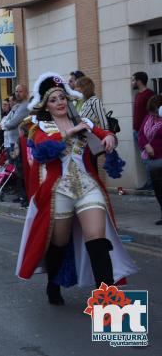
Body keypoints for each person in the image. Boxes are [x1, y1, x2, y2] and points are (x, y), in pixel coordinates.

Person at [16, 72, 137, 306]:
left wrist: (110, 138)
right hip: (58, 191)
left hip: (87, 186)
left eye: (62, 97)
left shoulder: (83, 122)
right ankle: (53, 284)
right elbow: (43, 150)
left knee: (97, 240)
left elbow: (104, 133)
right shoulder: (39, 127)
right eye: (54, 99)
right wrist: (67, 133)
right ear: (46, 106)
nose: (60, 102)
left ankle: (106, 300)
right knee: (59, 243)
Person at [0, 84, 30, 206]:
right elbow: (7, 121)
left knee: (21, 170)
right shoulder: (17, 106)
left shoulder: (25, 106)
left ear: (26, 92)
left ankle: (25, 197)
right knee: (17, 171)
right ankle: (21, 196)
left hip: (19, 142)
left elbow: (12, 123)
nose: (17, 93)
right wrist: (5, 124)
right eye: (16, 91)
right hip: (12, 142)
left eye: (20, 91)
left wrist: (4, 125)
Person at [138, 96, 162, 225]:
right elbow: (141, 134)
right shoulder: (148, 118)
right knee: (158, 189)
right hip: (152, 160)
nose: (152, 114)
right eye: (151, 111)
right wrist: (146, 145)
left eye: (154, 111)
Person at [132, 71, 155, 189]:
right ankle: (150, 183)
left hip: (146, 134)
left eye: (133, 80)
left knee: (149, 159)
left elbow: (152, 113)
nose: (132, 83)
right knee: (144, 159)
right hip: (137, 132)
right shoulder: (137, 95)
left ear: (139, 81)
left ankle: (152, 185)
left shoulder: (149, 94)